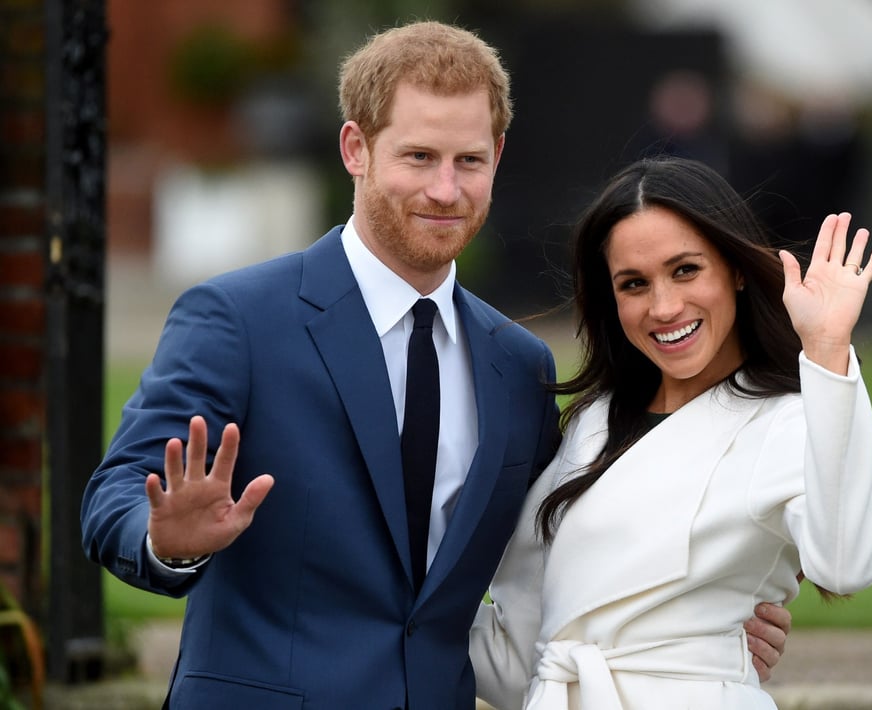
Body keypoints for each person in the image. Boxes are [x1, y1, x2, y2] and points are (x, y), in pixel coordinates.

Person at [81, 22, 790, 710]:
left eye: (469, 161)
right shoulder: (238, 319)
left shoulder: (519, 367)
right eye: (419, 157)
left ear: (498, 156)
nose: (446, 191)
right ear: (355, 148)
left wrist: (703, 617)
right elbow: (113, 495)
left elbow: (570, 547)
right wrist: (164, 542)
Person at [470, 156, 872, 709]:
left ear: (735, 268)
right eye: (634, 283)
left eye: (686, 270)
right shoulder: (591, 424)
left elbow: (847, 565)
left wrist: (829, 351)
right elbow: (523, 651)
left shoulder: (788, 420)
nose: (665, 307)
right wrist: (377, 611)